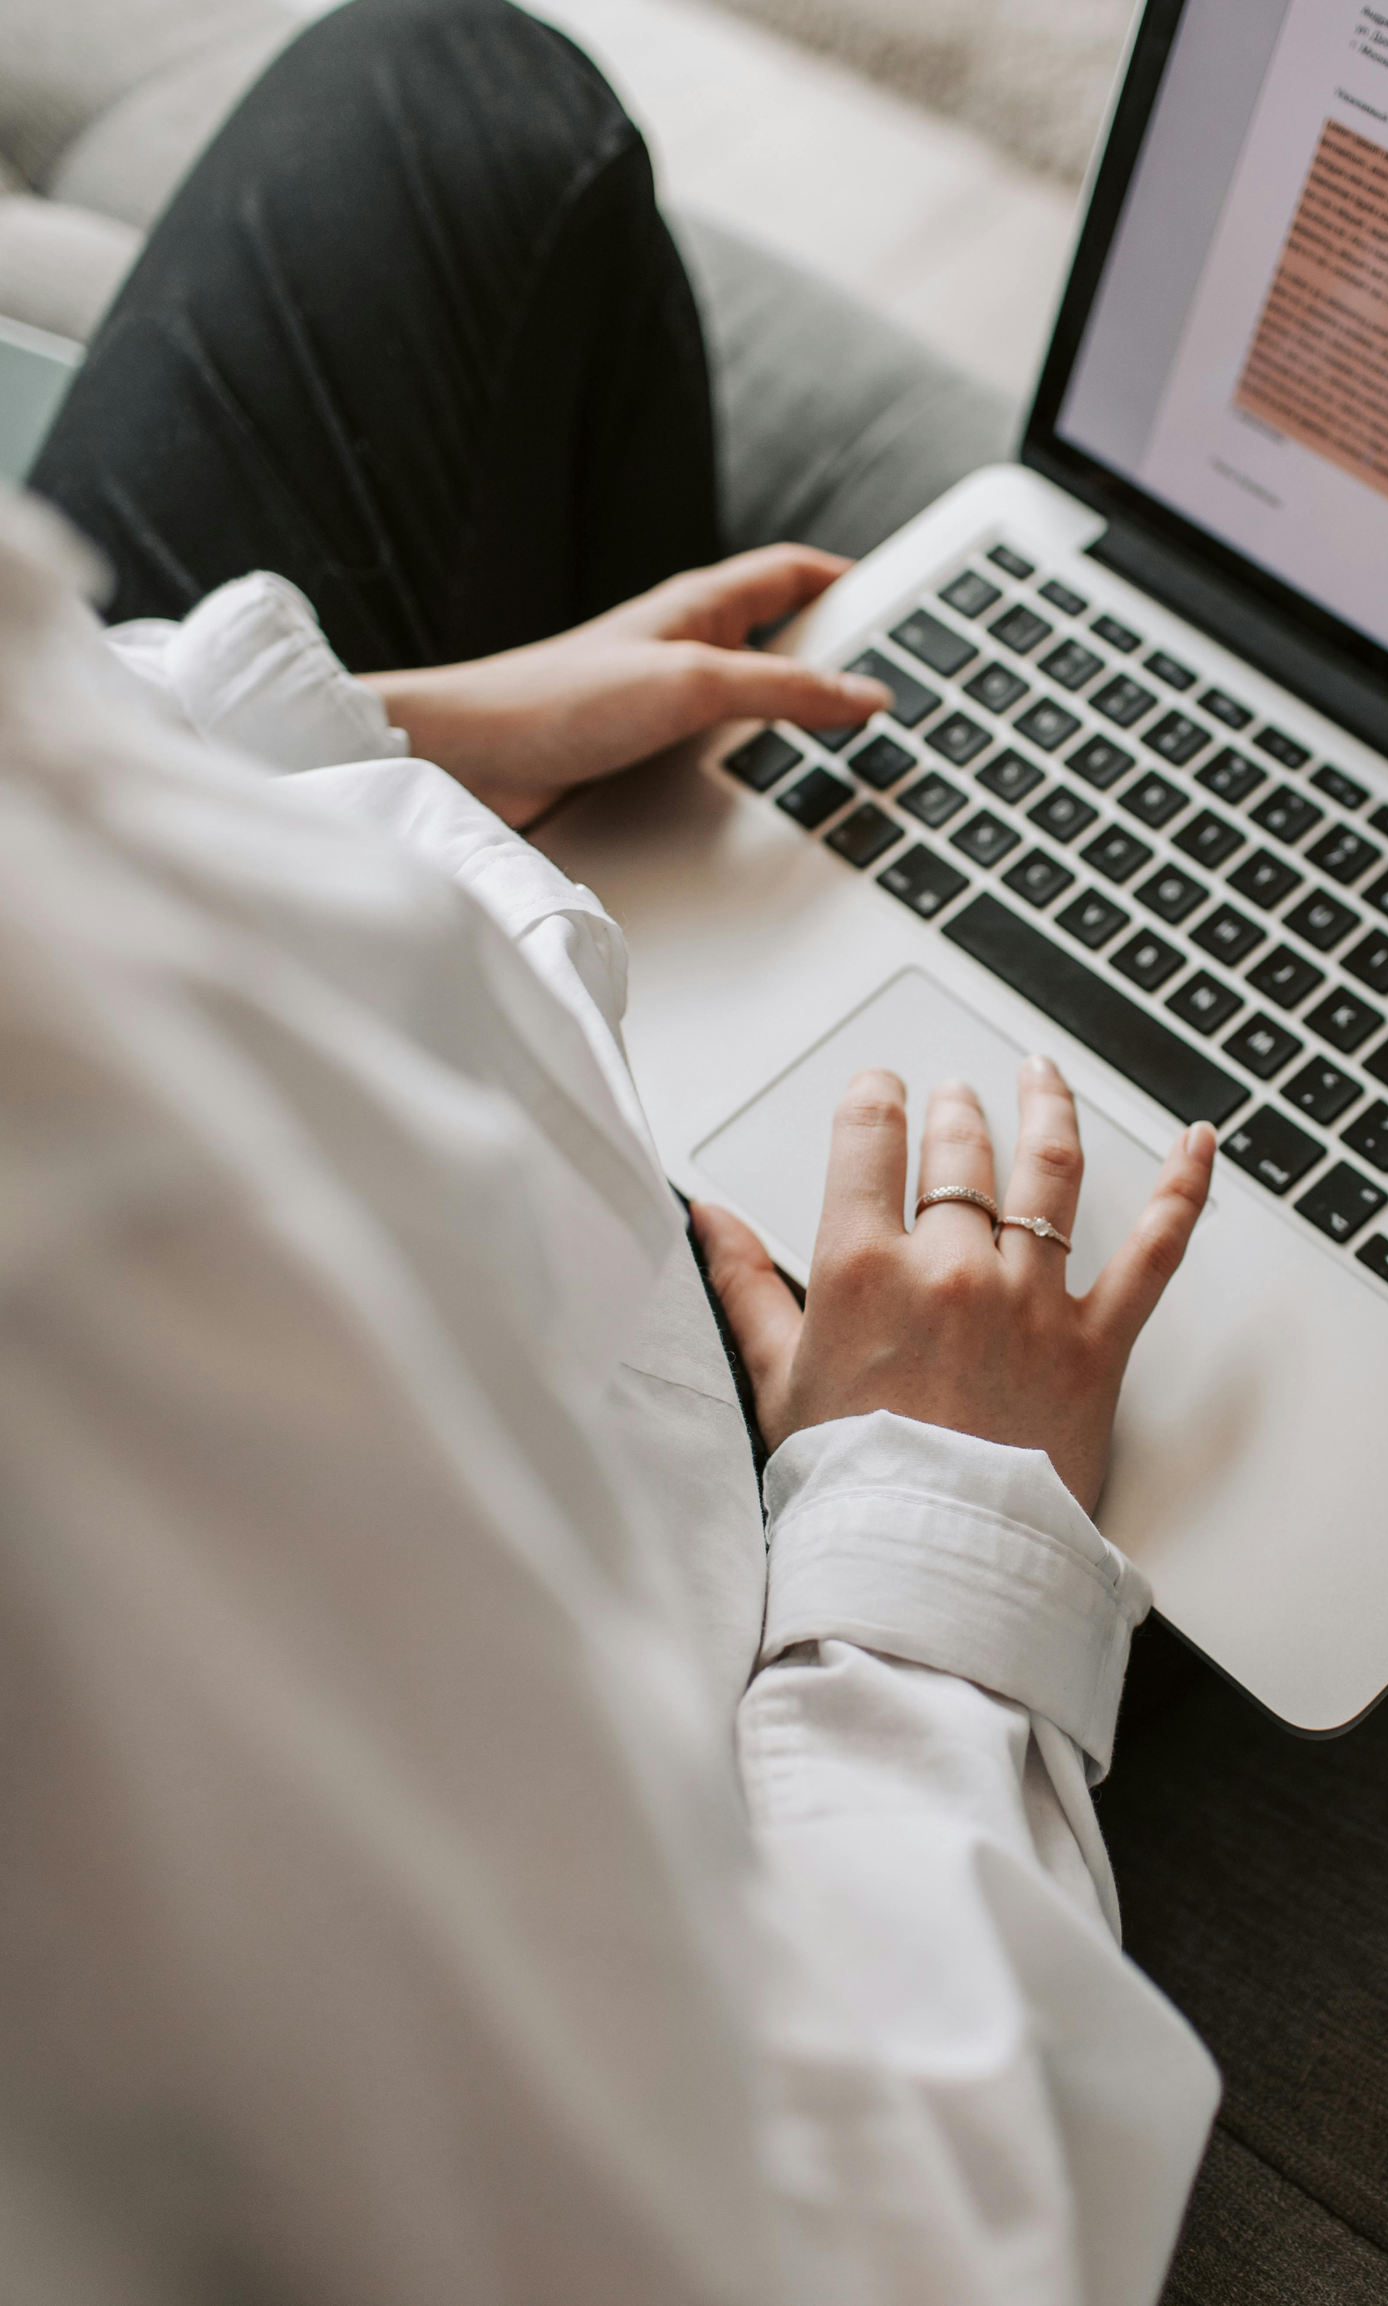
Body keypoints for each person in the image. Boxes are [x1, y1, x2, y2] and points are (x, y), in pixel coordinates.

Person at [0, 0, 1224, 2298]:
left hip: (301, 985)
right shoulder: (106, 1430)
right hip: (677, 1554)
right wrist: (933, 1526)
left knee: (456, 96)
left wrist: (338, 751)